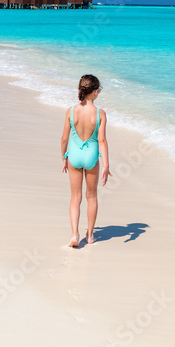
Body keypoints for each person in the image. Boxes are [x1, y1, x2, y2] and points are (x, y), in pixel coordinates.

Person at [61, 74, 110, 247]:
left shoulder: (71, 111)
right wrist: (106, 164)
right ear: (95, 92)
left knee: (75, 197)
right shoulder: (100, 114)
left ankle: (75, 235)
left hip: (74, 155)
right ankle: (90, 236)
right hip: (91, 157)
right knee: (92, 197)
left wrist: (64, 157)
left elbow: (64, 138)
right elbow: (102, 140)